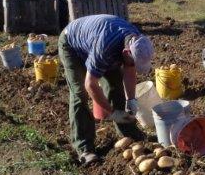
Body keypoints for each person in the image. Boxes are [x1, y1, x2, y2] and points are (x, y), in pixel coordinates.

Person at [58, 14, 154, 165]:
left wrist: (131, 100)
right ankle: (84, 148)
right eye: (133, 61)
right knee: (79, 93)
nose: (133, 65)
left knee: (115, 85)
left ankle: (128, 133)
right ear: (126, 52)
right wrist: (112, 112)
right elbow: (90, 84)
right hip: (72, 44)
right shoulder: (104, 49)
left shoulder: (137, 40)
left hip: (98, 40)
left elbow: (129, 67)